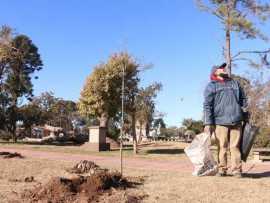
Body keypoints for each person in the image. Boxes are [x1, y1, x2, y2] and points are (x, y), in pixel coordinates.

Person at [203, 63, 248, 178]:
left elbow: (243, 100)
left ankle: (236, 170)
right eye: (221, 68)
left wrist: (245, 114)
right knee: (222, 146)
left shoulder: (235, 83)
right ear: (215, 72)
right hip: (220, 121)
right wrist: (208, 123)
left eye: (224, 67)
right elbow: (207, 105)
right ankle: (222, 169)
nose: (224, 69)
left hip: (236, 120)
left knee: (235, 146)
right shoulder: (212, 86)